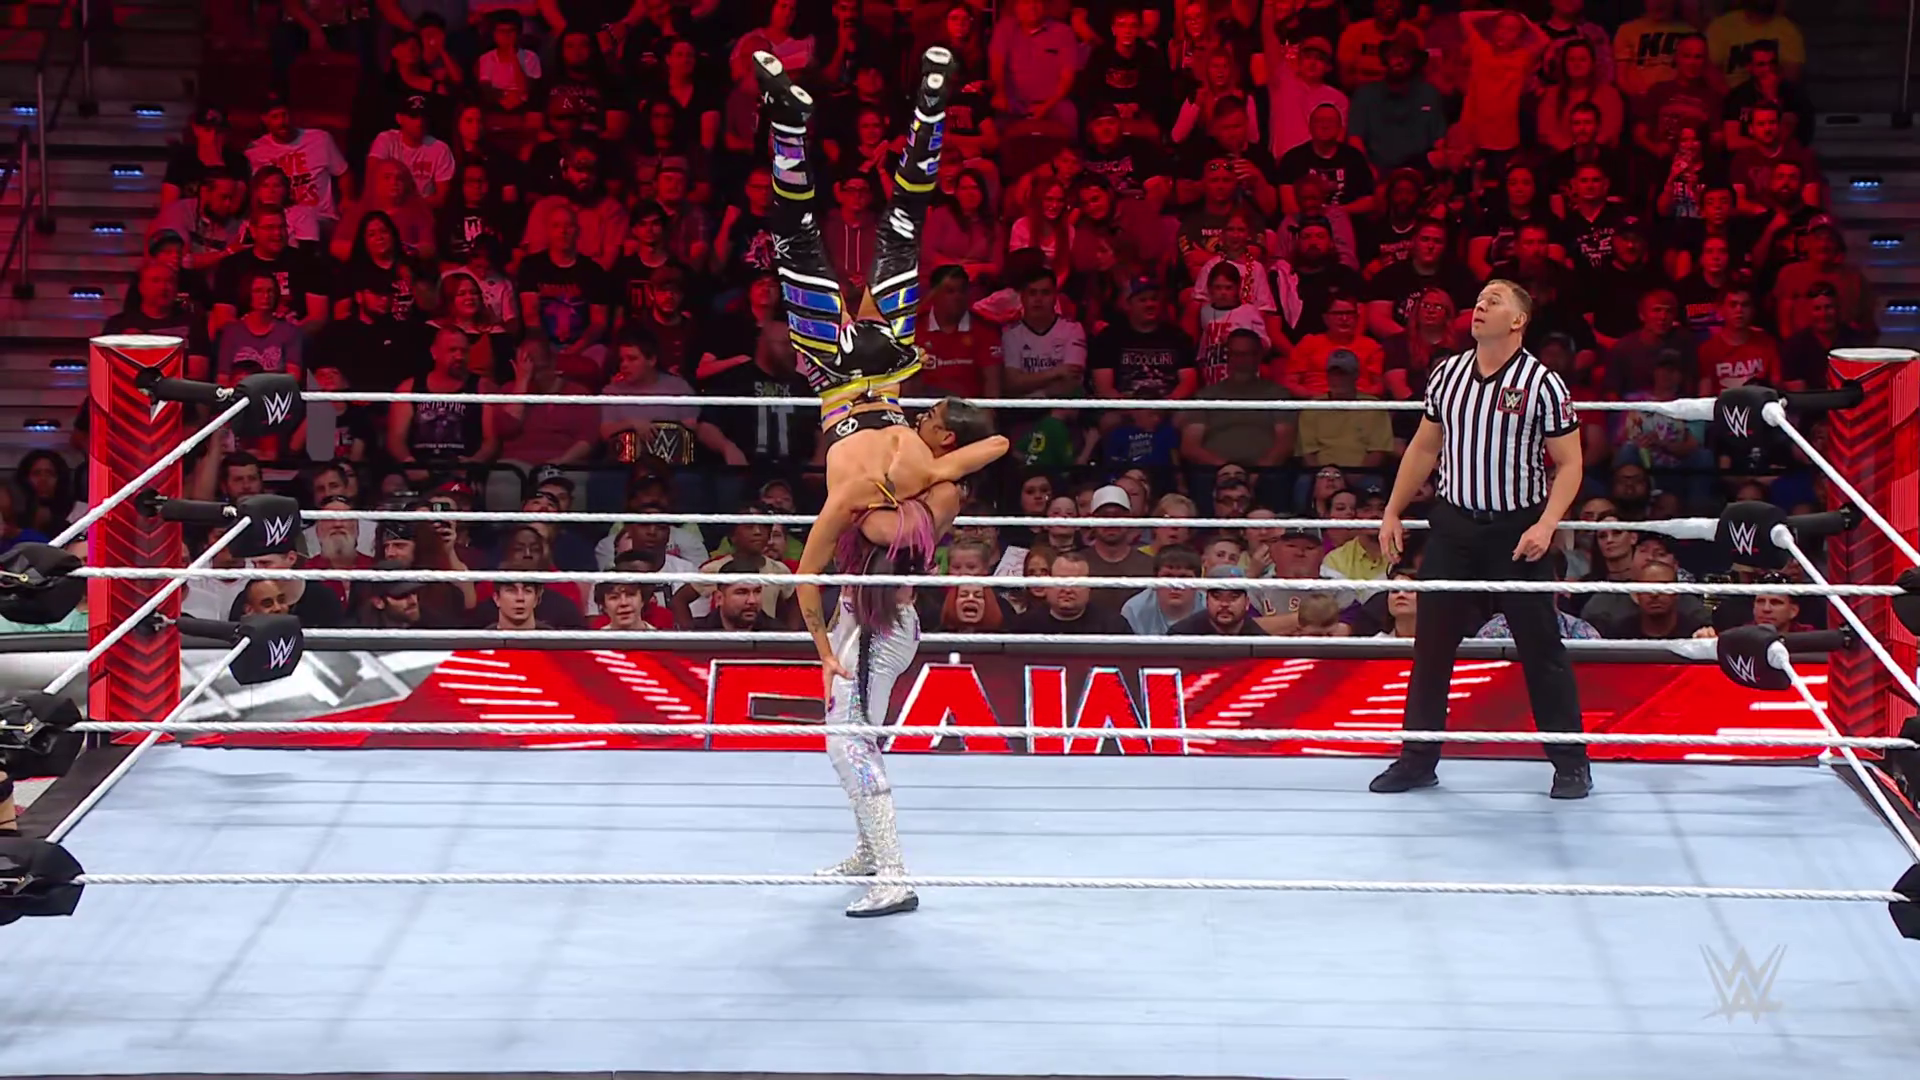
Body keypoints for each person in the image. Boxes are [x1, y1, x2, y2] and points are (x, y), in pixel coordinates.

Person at [756, 49, 1011, 677]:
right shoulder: (865, 493)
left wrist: (925, 485)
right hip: (845, 372)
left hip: (876, 368)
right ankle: (793, 126)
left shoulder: (923, 480)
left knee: (898, 227)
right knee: (804, 234)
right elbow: (807, 580)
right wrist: (821, 652)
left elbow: (997, 444)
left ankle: (927, 111)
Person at [1373, 280, 1592, 799]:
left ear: (1518, 320)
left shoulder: (1543, 383)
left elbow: (1570, 463)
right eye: (1479, 299)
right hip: (1454, 526)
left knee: (1541, 646)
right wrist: (1392, 510)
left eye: (1495, 301)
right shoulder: (1446, 374)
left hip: (1518, 531)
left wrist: (1547, 524)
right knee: (1431, 646)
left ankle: (1571, 764)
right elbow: (1425, 447)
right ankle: (1417, 759)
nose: (1481, 305)